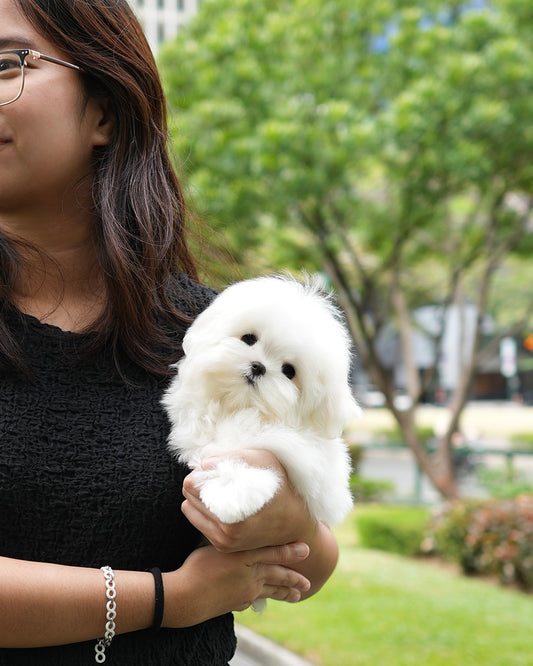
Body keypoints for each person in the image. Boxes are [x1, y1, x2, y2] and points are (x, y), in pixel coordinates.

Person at [0, 0, 340, 664]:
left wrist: (286, 518)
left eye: (7, 62)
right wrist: (170, 598)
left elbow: (310, 560)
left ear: (104, 107)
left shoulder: (224, 335)